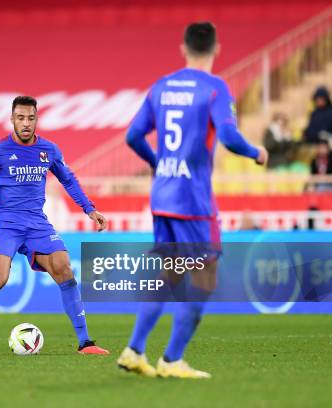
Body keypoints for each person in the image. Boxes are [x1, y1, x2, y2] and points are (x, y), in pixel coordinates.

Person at [119, 22, 267, 378]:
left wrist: (158, 163)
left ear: (183, 48)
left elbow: (133, 135)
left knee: (169, 275)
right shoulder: (215, 88)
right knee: (205, 276)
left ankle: (134, 350)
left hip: (162, 195)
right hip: (193, 199)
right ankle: (171, 360)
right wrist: (256, 152)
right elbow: (229, 137)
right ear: (216, 49)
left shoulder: (162, 86)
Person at [0, 96, 110, 355]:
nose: (26, 123)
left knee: (64, 270)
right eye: (21, 118)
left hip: (37, 222)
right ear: (12, 119)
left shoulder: (49, 149)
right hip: (5, 222)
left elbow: (68, 179)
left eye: (31, 118)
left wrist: (90, 209)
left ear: (37, 119)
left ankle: (85, 342)